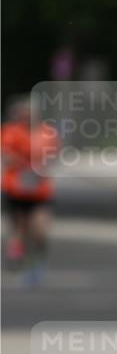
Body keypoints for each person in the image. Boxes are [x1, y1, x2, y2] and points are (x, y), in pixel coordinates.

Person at [1, 96, 59, 286]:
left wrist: (40, 166)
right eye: (23, 113)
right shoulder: (10, 131)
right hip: (15, 189)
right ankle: (23, 262)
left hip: (40, 191)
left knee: (39, 230)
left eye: (29, 113)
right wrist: (27, 164)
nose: (26, 116)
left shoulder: (47, 133)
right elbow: (7, 156)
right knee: (20, 230)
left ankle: (38, 261)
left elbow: (52, 156)